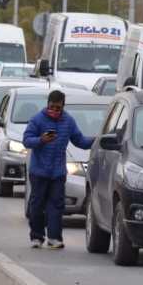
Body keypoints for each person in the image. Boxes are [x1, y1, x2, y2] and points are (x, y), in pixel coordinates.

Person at [22, 89, 96, 249]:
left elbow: (80, 140)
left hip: (58, 173)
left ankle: (54, 238)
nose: (54, 111)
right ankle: (37, 236)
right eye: (52, 107)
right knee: (37, 205)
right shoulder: (37, 120)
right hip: (39, 172)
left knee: (56, 206)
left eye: (58, 108)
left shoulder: (68, 121)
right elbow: (27, 141)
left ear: (63, 106)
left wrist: (97, 141)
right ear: (47, 104)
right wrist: (41, 140)